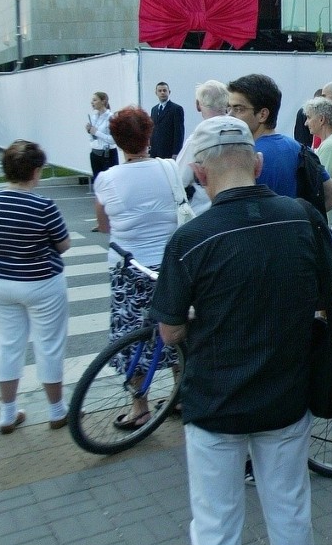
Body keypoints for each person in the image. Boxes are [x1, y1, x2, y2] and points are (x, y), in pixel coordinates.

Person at [150, 116, 332, 545]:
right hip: (286, 397)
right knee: (289, 511)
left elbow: (167, 333)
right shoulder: (303, 219)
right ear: (257, 165)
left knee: (214, 526)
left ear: (202, 174)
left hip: (214, 405)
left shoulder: (190, 239)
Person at [93, 106, 179, 429]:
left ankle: (139, 406)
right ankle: (180, 394)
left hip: (130, 270)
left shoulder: (107, 179)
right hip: (170, 267)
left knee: (132, 336)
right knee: (175, 329)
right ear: (149, 135)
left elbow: (103, 226)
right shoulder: (169, 168)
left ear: (116, 140)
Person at [0, 140, 70, 433]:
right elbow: (63, 245)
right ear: (36, 172)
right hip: (41, 282)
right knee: (49, 346)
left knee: (8, 346)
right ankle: (56, 410)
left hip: (1, 283)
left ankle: (8, 413)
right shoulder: (43, 205)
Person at [226, 74, 332, 212]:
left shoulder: (243, 158)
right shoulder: (300, 150)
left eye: (239, 109)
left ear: (263, 114)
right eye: (229, 108)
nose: (229, 115)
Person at [177, 79, 229, 217]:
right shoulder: (242, 132)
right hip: (235, 209)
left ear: (198, 105)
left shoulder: (197, 139)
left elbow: (180, 179)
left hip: (204, 212)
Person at [305, 96, 332, 220]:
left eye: (308, 117)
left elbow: (315, 184)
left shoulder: (330, 146)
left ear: (321, 119)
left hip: (326, 217)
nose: (306, 123)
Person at [86, 92, 118, 181]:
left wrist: (96, 132)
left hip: (107, 155)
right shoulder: (94, 117)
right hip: (95, 153)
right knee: (97, 183)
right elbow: (94, 137)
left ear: (103, 101)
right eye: (92, 100)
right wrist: (90, 131)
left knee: (109, 182)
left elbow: (113, 140)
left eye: (95, 100)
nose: (92, 102)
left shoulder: (111, 117)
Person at [149, 81, 185, 158]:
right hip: (155, 152)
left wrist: (176, 152)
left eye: (164, 90)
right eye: (160, 91)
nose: (162, 93)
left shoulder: (176, 109)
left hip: (169, 151)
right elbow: (153, 130)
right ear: (156, 93)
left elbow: (179, 132)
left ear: (169, 92)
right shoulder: (154, 110)